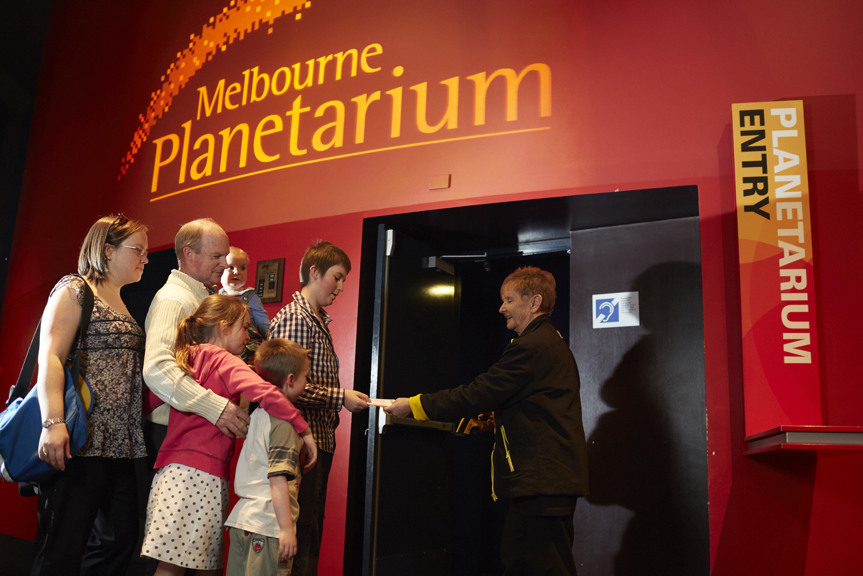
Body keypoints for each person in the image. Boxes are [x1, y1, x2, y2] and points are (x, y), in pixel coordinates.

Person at [385, 266, 589, 575]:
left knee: (536, 565)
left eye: (508, 300)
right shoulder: (549, 342)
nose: (501, 308)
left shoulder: (531, 347)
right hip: (543, 484)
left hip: (540, 485)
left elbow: (476, 393)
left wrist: (415, 405)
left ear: (534, 303)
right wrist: (497, 416)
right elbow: (531, 403)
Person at [141, 295, 316, 576]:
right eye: (244, 328)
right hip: (203, 475)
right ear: (223, 327)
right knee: (199, 566)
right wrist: (303, 429)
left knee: (176, 564)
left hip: (170, 473)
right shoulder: (225, 360)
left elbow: (149, 399)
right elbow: (267, 392)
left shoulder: (187, 357)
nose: (248, 337)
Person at [31, 214, 149, 576]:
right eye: (138, 250)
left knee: (120, 540)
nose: (145, 258)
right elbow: (49, 356)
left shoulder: (123, 300)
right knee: (61, 549)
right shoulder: (75, 288)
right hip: (80, 440)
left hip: (121, 445)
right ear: (108, 250)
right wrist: (53, 423)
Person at [267, 240, 371, 575]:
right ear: (314, 272)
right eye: (337, 277)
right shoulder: (296, 318)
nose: (340, 287)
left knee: (309, 532)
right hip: (299, 446)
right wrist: (341, 397)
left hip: (316, 444)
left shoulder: (315, 320)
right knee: (299, 536)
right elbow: (284, 386)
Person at [143, 218, 249, 456]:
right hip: (169, 436)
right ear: (189, 254)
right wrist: (215, 408)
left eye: (225, 255)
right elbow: (157, 368)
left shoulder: (199, 298)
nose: (225, 263)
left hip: (187, 433)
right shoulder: (174, 299)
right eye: (216, 257)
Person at [225, 339, 311, 576]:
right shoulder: (284, 423)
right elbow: (277, 479)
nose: (307, 383)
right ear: (291, 380)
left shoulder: (259, 415)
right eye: (306, 377)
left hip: (243, 521)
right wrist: (285, 528)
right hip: (268, 526)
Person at [220, 246, 269, 364]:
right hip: (223, 349)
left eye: (242, 268)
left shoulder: (250, 297)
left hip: (248, 349)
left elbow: (263, 323)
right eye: (231, 267)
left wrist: (272, 341)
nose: (237, 272)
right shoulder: (215, 296)